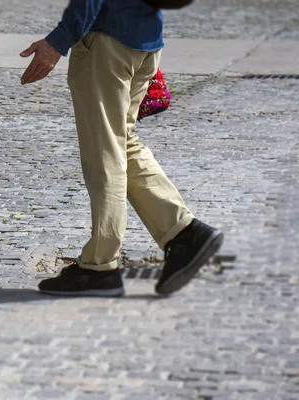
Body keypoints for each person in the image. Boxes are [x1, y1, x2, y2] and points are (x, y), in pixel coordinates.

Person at [19, 0, 223, 296]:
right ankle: (185, 234)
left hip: (107, 41)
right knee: (120, 142)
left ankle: (100, 267)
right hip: (145, 38)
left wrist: (58, 41)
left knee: (104, 152)